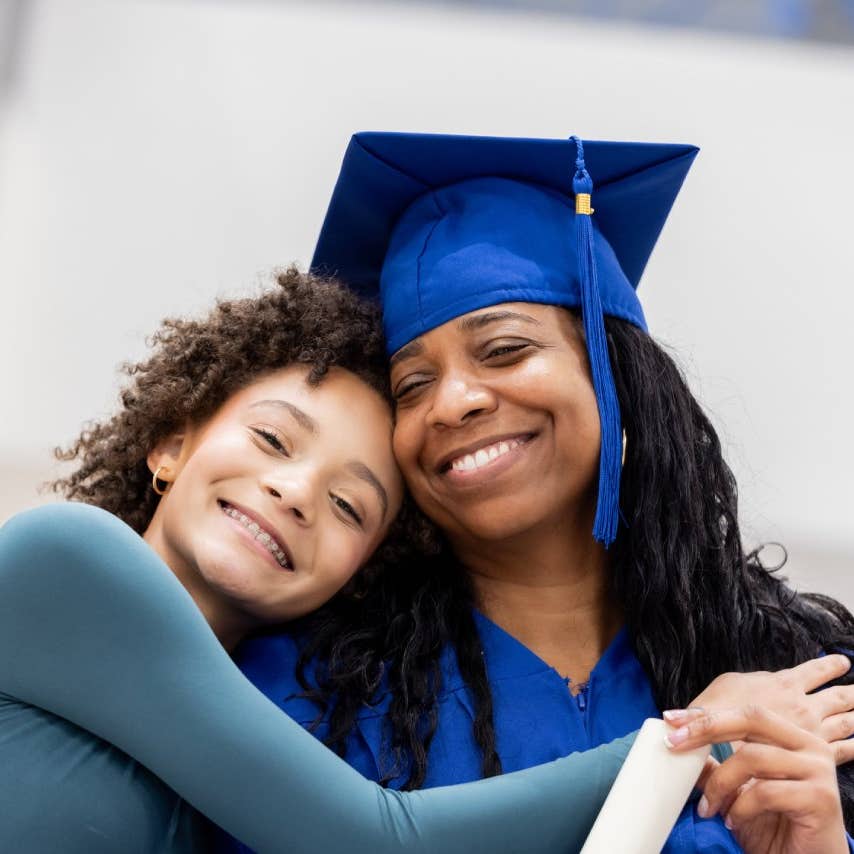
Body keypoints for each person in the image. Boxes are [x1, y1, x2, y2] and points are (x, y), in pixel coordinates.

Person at [233, 133, 854, 853]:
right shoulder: (314, 691)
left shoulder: (796, 675)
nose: (454, 401)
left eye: (505, 349)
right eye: (412, 384)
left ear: (614, 374)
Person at [0, 268, 762, 853]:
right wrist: (699, 736)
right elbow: (379, 839)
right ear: (171, 443)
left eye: (348, 507)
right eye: (273, 439)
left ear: (359, 569)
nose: (296, 493)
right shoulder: (68, 559)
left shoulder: (242, 737)